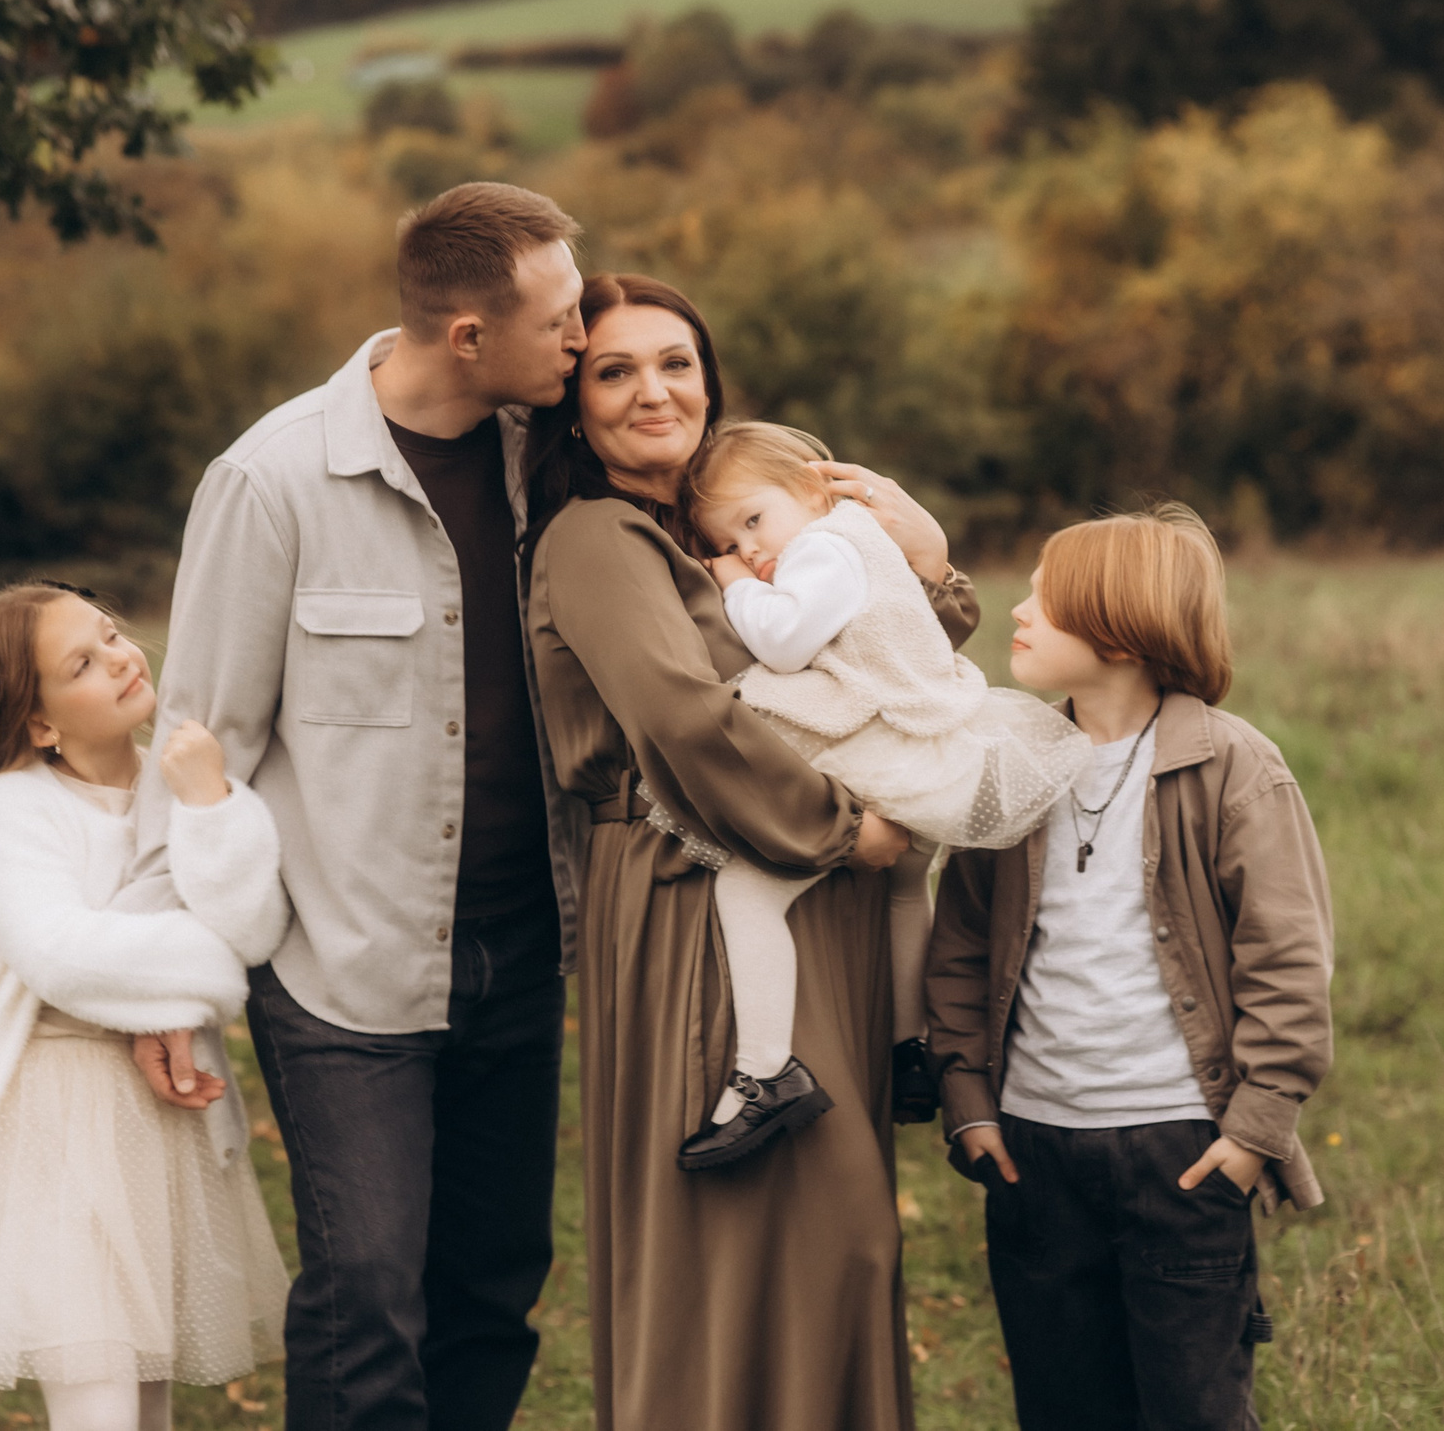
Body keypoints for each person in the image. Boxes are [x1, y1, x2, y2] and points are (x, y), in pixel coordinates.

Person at [151, 182, 587, 1431]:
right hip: (343, 970)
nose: (580, 339)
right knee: (366, 1298)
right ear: (467, 335)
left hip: (521, 954)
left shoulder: (544, 463)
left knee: (493, 1291)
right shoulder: (273, 480)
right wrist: (170, 987)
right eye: (557, 319)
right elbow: (196, 741)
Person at [523, 273, 974, 1431]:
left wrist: (926, 564)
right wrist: (845, 829)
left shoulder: (729, 526)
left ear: (710, 380)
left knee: (838, 1237)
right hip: (694, 891)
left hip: (796, 887)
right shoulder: (595, 539)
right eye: (613, 371)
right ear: (572, 406)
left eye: (674, 362)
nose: (650, 390)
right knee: (773, 1228)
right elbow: (682, 718)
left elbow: (866, 659)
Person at [925, 505, 1336, 1431]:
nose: (1019, 608)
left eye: (1046, 595)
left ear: (1120, 628)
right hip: (1033, 1152)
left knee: (1192, 1406)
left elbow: (1288, 958)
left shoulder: (1232, 767)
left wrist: (1254, 1128)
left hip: (1182, 1151)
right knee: (1064, 1404)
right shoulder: (1013, 765)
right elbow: (957, 945)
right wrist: (969, 1099)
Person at [0, 582, 292, 1431]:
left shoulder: (181, 780)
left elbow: (255, 922)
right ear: (40, 723)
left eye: (113, 633)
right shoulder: (16, 810)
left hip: (158, 1131)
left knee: (147, 1387)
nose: (122, 657)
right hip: (59, 1120)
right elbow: (60, 952)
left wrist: (210, 805)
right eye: (82, 663)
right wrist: (205, 974)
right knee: (96, 1395)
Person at [681, 421, 1086, 1168]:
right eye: (733, 542)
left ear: (812, 486)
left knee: (745, 888)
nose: (751, 549)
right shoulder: (851, 541)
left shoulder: (827, 545)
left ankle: (766, 1071)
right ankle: (910, 1045)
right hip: (923, 742)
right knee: (907, 886)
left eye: (753, 520)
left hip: (890, 746)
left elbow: (784, 641)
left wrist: (732, 582)